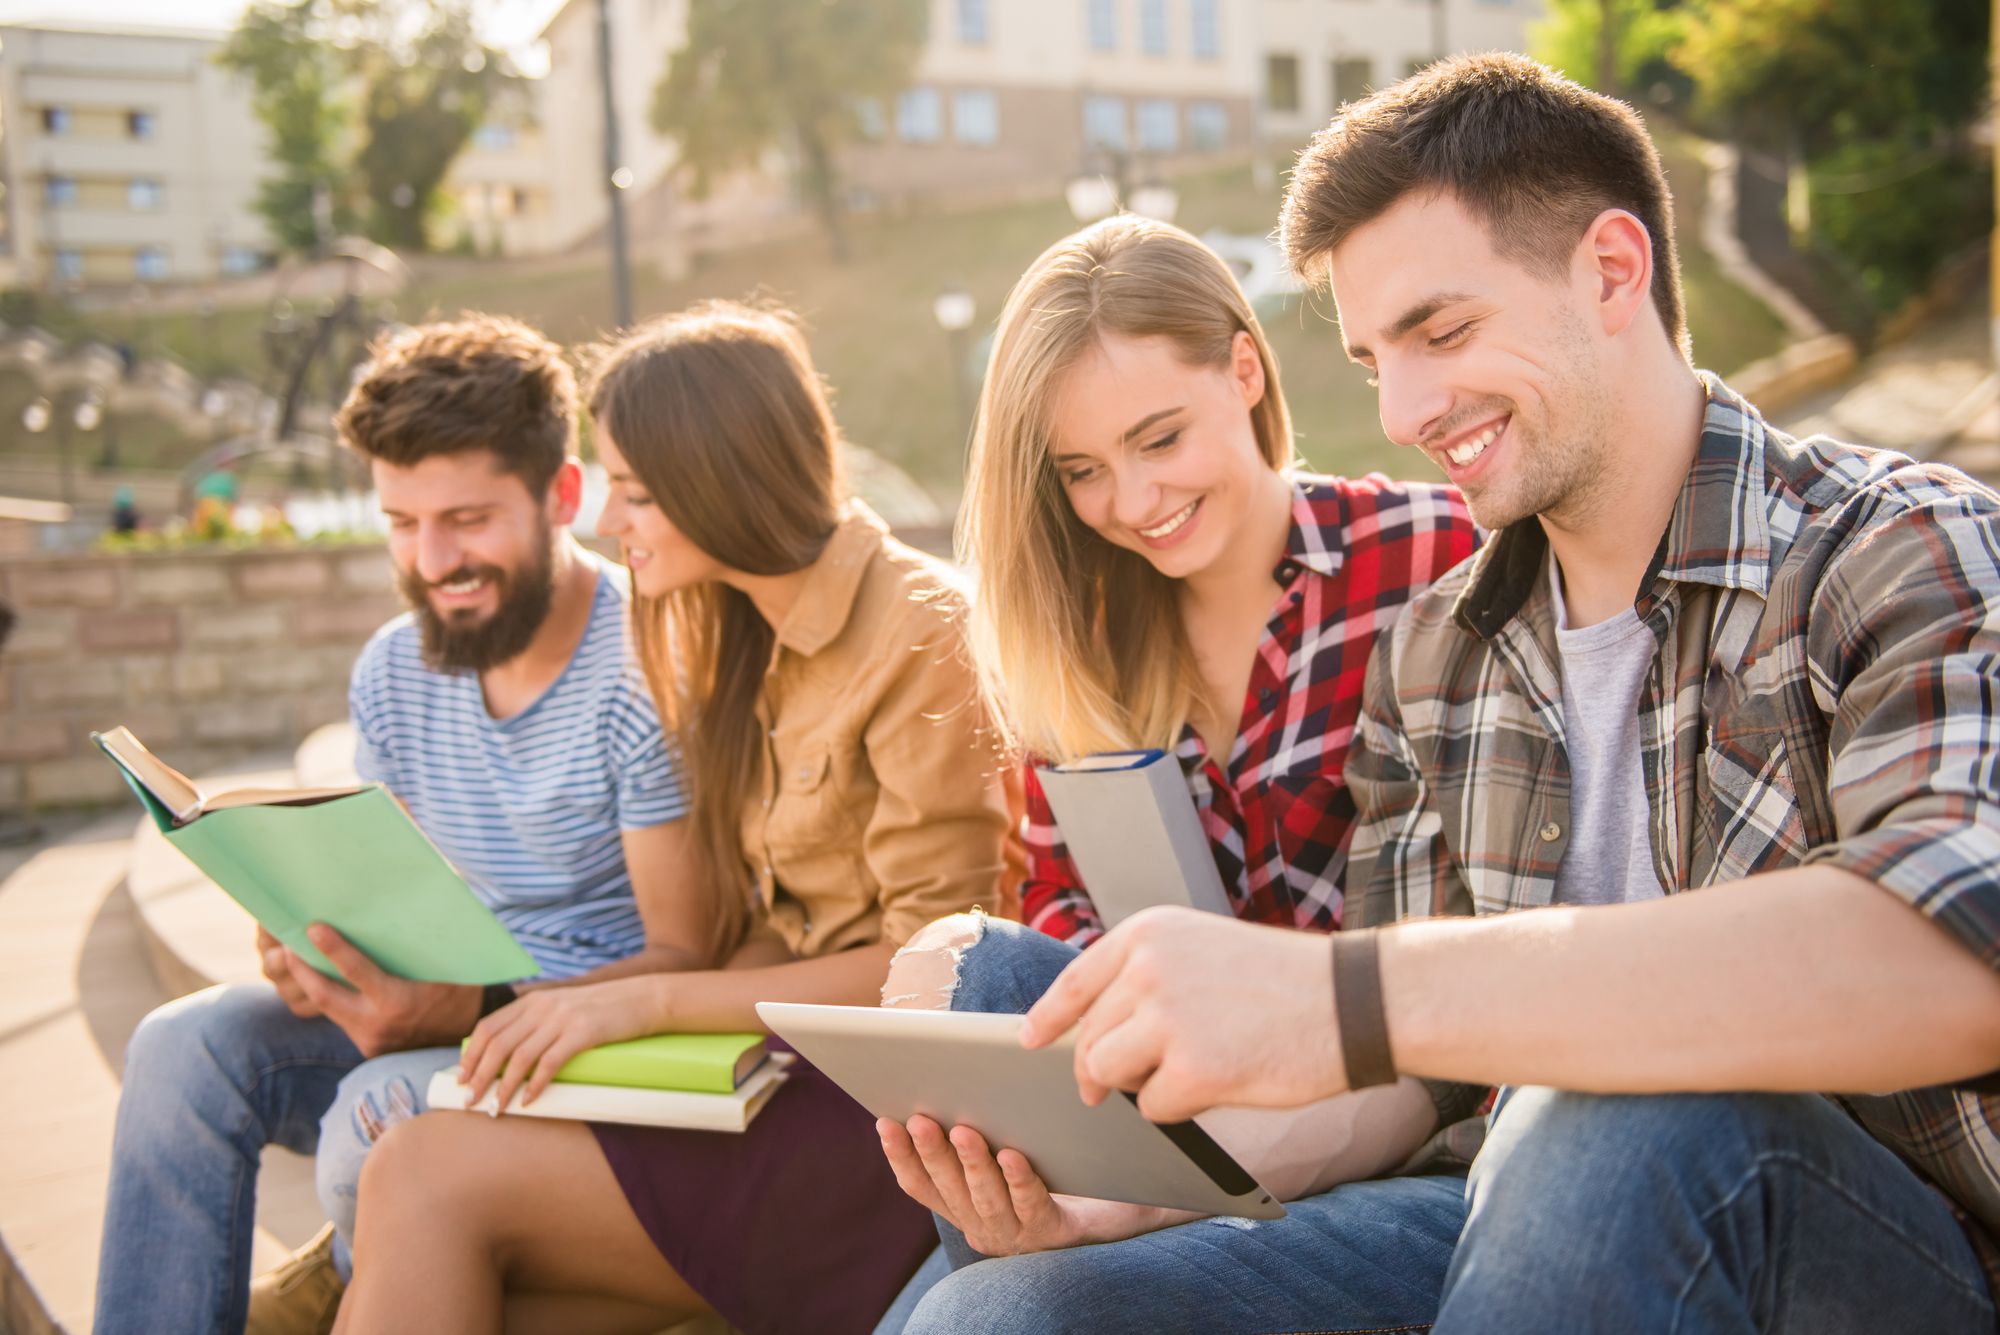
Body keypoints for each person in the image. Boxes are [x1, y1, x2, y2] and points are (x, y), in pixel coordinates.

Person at [949, 52, 2000, 1334]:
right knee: (1013, 1312)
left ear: (1612, 272)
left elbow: (1953, 958)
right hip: (1478, 1205)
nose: (1401, 409)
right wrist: (1137, 1202)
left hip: (1875, 1248)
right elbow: (1415, 1084)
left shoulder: (1901, 547)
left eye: (1441, 333)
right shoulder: (1439, 650)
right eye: (1373, 356)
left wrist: (1343, 994)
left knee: (1609, 1109)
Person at [331, 301, 1011, 1335]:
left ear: (719, 484)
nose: (608, 525)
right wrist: (592, 1009)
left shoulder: (921, 632)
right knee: (459, 1262)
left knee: (422, 1174)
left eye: (637, 494)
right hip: (763, 1069)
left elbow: (941, 970)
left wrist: (647, 1005)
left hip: (881, 1116)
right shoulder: (718, 630)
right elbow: (752, 923)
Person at [871, 215, 1480, 1332]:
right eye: (1083, 473)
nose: (1133, 503)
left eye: (1159, 440)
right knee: (970, 983)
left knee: (966, 1317)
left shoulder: (1429, 557)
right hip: (1166, 1121)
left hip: (1392, 1136)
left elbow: (1460, 990)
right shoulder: (1083, 640)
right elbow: (1060, 923)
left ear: (1243, 369)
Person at [95, 316, 695, 1335]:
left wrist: (468, 1006)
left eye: (466, 518)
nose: (433, 562)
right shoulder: (393, 669)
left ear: (560, 496)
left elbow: (689, 952)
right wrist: (310, 941)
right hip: (443, 1014)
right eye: (401, 523)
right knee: (182, 1045)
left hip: (579, 1048)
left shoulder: (645, 661)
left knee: (366, 1137)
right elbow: (392, 880)